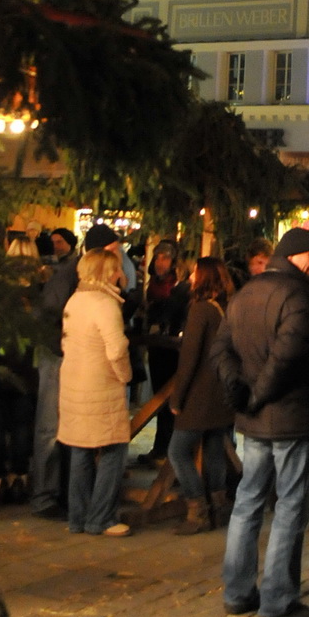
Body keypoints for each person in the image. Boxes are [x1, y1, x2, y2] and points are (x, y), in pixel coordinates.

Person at [212, 227, 309, 617]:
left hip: (253, 418)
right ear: (303, 255)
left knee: (247, 502)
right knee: (289, 507)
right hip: (288, 415)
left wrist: (240, 392)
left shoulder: (248, 290)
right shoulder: (297, 294)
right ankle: (278, 600)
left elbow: (223, 347)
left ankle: (237, 592)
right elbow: (286, 357)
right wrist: (254, 394)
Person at [57, 247, 133, 537]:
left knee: (81, 450)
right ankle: (101, 518)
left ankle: (78, 517)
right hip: (100, 385)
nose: (120, 275)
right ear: (105, 272)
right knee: (113, 449)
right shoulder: (105, 305)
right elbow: (116, 349)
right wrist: (125, 375)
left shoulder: (74, 300)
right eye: (115, 269)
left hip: (74, 382)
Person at [168, 257, 236, 533]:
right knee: (214, 449)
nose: (192, 276)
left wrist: (177, 397)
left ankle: (197, 511)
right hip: (222, 392)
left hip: (200, 394)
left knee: (178, 451)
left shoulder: (200, 310)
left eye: (196, 272)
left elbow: (190, 357)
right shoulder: (226, 307)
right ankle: (219, 507)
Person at [30, 225, 78, 517]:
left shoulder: (68, 275)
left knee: (59, 427)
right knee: (49, 427)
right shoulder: (68, 277)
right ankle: (45, 495)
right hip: (55, 354)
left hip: (60, 353)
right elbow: (48, 312)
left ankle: (56, 491)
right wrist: (61, 343)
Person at [141, 237, 190, 462]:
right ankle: (161, 447)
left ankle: (169, 450)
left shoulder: (178, 285)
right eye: (158, 257)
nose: (161, 262)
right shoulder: (154, 283)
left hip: (172, 349)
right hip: (157, 346)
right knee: (159, 397)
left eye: (166, 258)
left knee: (170, 400)